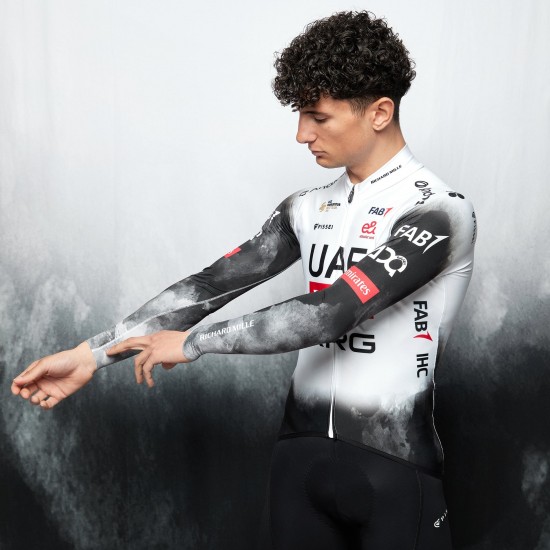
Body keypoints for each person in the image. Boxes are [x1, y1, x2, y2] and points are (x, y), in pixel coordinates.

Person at [11, 10, 476, 549]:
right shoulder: (307, 206)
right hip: (298, 462)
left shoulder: (440, 211)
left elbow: (332, 313)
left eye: (318, 117)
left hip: (395, 467)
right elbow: (211, 285)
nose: (301, 134)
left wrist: (193, 344)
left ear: (379, 112)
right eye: (300, 115)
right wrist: (92, 355)